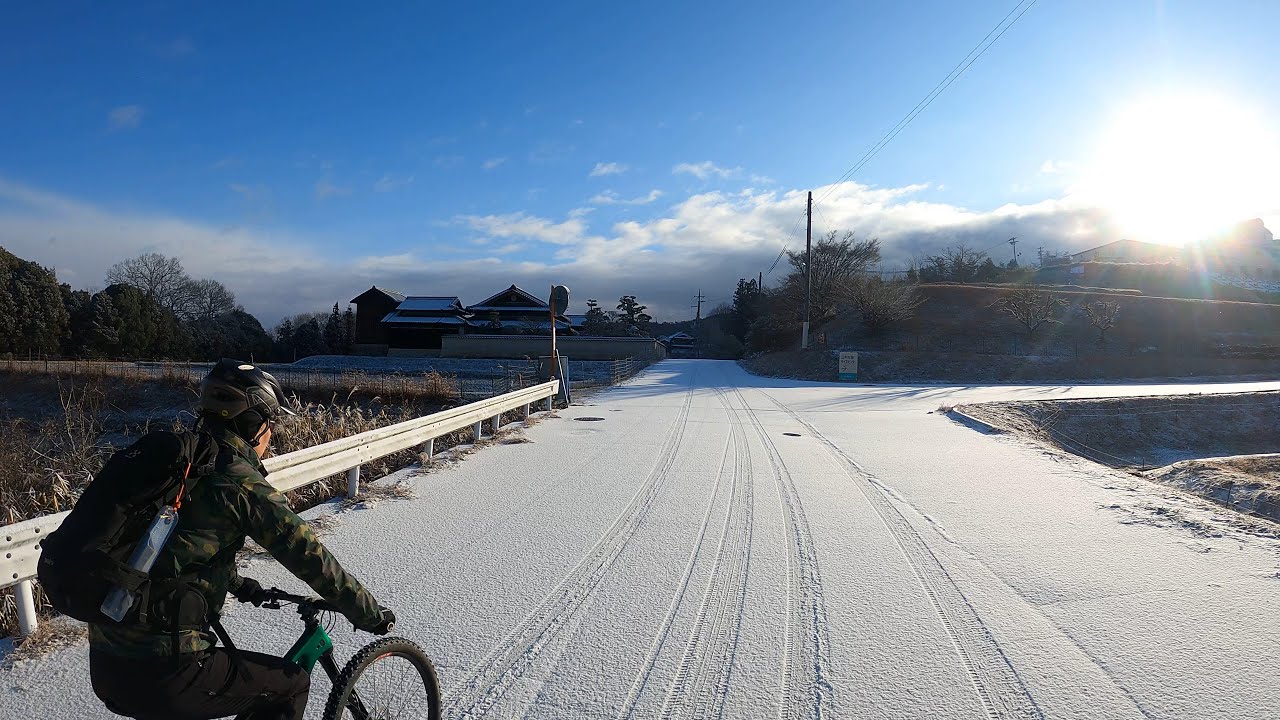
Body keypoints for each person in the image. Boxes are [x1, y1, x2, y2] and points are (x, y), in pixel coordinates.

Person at [88, 359, 395, 720]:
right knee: (290, 685)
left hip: (106, 663)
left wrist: (239, 584)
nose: (271, 434)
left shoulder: (178, 464)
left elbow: (173, 549)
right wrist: (368, 612)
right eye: (271, 424)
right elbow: (308, 555)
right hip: (166, 669)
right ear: (253, 424)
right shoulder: (239, 481)